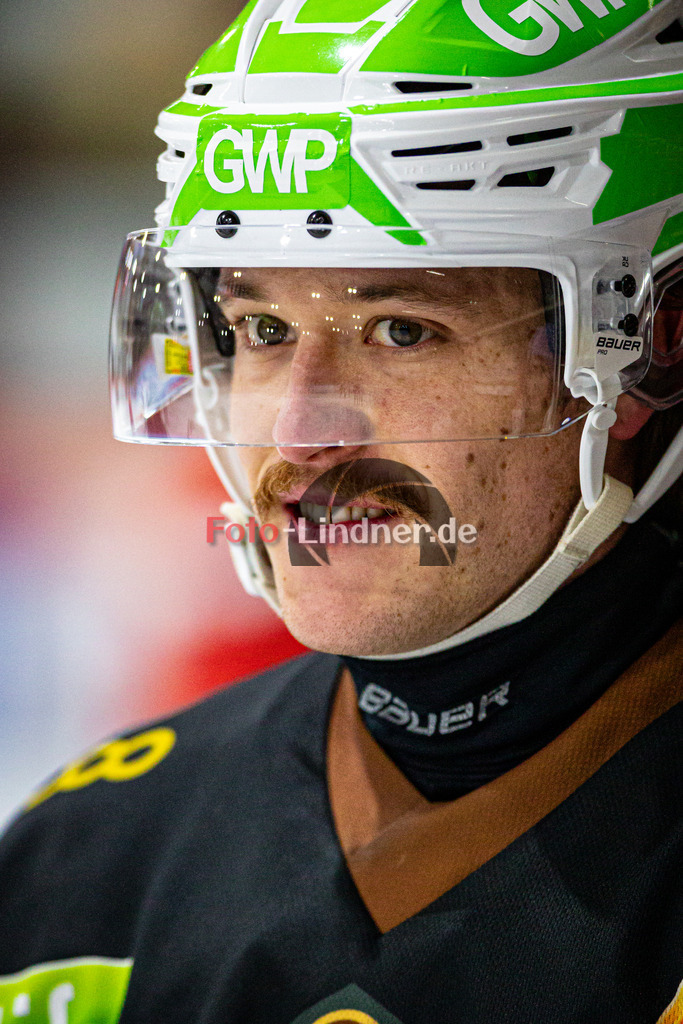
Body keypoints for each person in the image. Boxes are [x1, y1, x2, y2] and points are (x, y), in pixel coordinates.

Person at [1, 1, 682, 1021]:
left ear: (649, 347)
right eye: (262, 326)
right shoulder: (91, 855)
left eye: (401, 330)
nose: (300, 430)